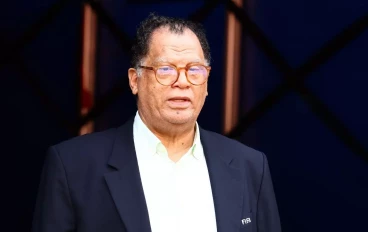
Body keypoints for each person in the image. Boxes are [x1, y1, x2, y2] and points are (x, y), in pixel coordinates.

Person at [32, 13, 281, 232]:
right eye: (166, 69)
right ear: (134, 80)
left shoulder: (250, 166)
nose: (182, 81)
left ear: (206, 82)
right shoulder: (73, 166)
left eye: (194, 70)